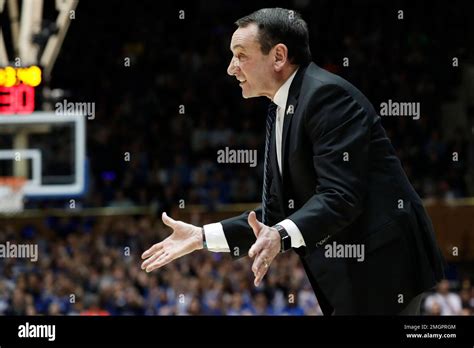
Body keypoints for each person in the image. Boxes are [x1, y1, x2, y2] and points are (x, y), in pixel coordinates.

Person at [141, 8, 445, 315]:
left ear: (278, 56)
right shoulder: (280, 107)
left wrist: (281, 235)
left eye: (241, 55)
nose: (231, 68)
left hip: (383, 265)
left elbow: (341, 197)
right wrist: (202, 236)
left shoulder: (326, 96)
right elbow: (277, 213)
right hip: (357, 272)